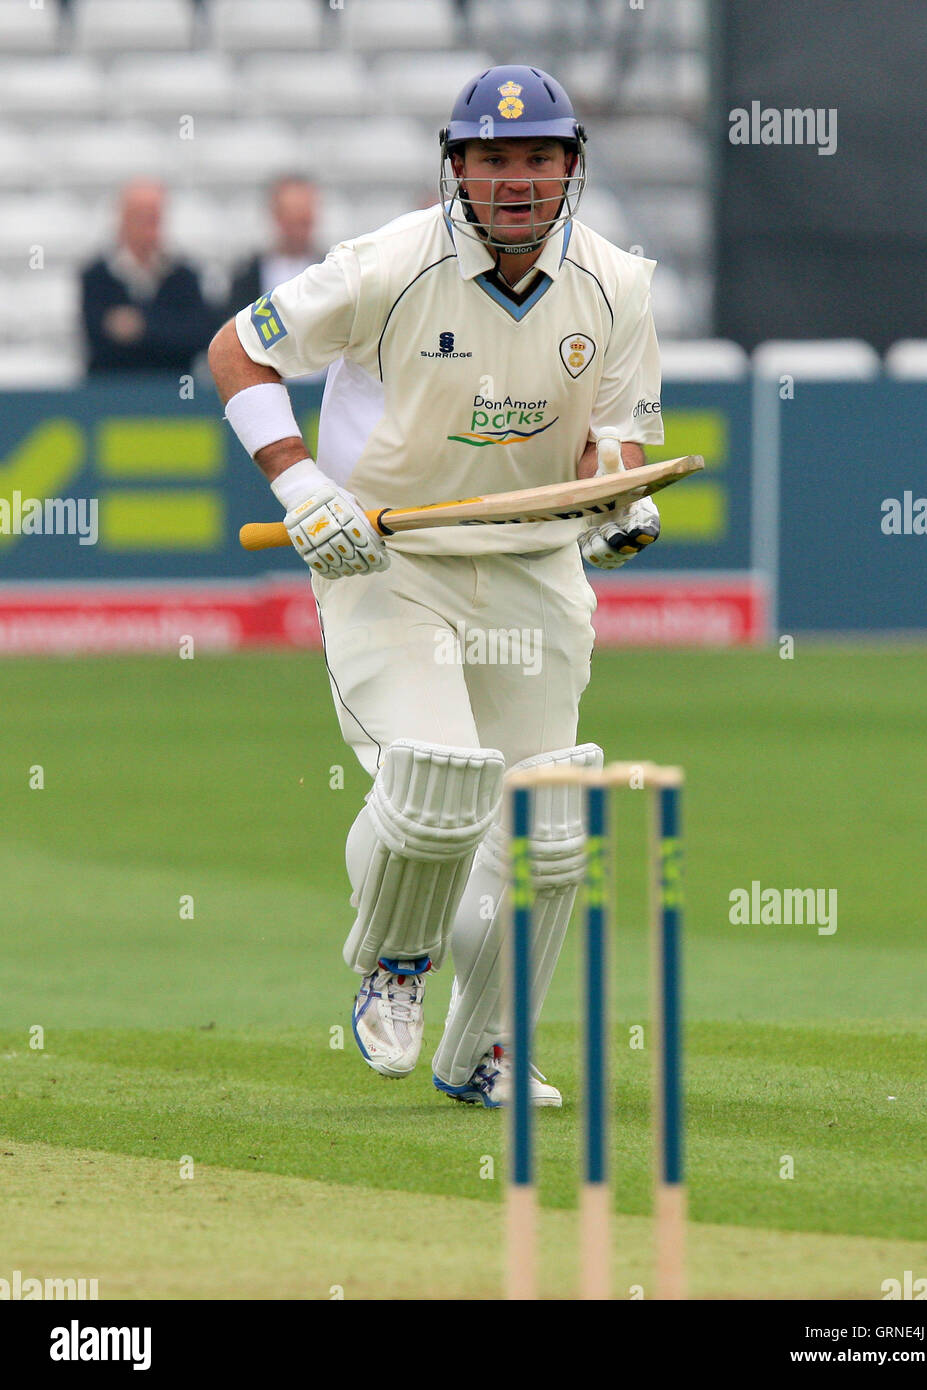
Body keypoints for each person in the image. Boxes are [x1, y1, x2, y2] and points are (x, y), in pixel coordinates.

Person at [208, 65, 665, 1108]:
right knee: (439, 776)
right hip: (388, 560)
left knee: (550, 827)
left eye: (538, 159)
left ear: (571, 168)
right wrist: (303, 481)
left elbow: (615, 441)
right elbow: (238, 351)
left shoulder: (618, 285)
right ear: (456, 168)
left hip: (532, 569)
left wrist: (615, 504)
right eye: (493, 159)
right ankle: (396, 961)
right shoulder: (388, 265)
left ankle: (487, 1047)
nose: (517, 181)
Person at [81, 180, 213, 377]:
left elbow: (198, 337)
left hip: (171, 391)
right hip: (113, 392)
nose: (146, 226)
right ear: (122, 218)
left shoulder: (185, 276)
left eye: (153, 217)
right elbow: (99, 343)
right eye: (139, 217)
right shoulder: (96, 276)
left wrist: (141, 327)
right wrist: (165, 329)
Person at [226, 176, 325, 313]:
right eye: (291, 218)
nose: (297, 230)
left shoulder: (333, 273)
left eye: (303, 220)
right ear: (275, 216)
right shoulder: (246, 278)